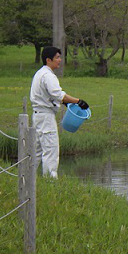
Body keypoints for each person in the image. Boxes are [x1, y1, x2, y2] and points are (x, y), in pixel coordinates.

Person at [29, 46, 88, 178]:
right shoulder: (48, 76)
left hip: (38, 115)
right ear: (48, 60)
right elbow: (59, 95)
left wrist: (66, 103)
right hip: (46, 117)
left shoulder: (39, 73)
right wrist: (78, 101)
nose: (60, 60)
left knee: (37, 151)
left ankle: (27, 180)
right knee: (51, 150)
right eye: (57, 57)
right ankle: (50, 181)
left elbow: (51, 96)